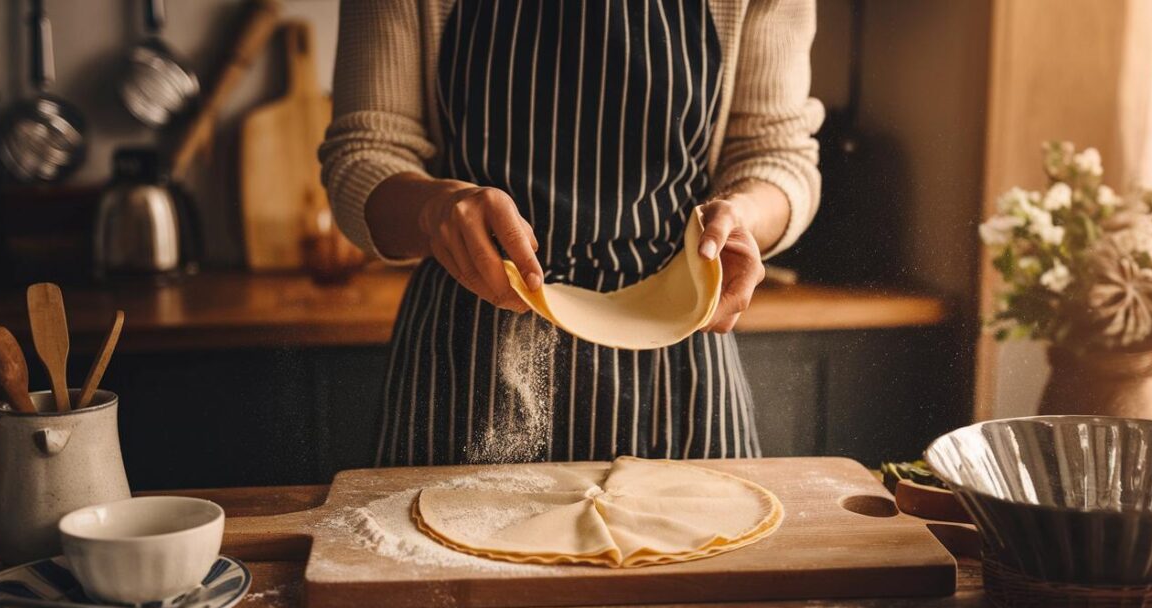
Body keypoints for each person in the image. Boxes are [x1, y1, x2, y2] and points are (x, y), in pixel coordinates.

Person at [320, 0, 823, 466]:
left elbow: (773, 152)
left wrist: (743, 216)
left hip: (677, 348)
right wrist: (435, 210)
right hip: (471, 339)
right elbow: (365, 151)